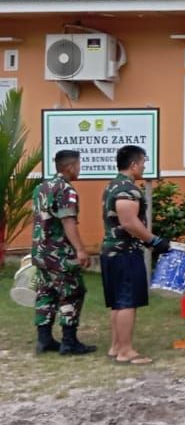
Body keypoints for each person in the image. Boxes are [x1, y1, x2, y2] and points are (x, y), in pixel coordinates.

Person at [101, 145, 169, 365]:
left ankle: (116, 346)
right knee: (127, 301)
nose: (143, 166)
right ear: (133, 164)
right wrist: (154, 241)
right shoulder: (127, 189)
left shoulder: (112, 185)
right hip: (124, 253)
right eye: (142, 163)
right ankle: (126, 351)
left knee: (118, 302)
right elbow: (130, 222)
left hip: (113, 251)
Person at [30, 149, 94, 355]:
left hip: (40, 251)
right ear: (69, 167)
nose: (80, 168)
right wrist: (80, 250)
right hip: (60, 254)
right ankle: (69, 341)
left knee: (45, 292)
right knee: (72, 292)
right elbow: (68, 221)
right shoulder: (67, 190)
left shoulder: (41, 187)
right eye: (78, 165)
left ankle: (44, 339)